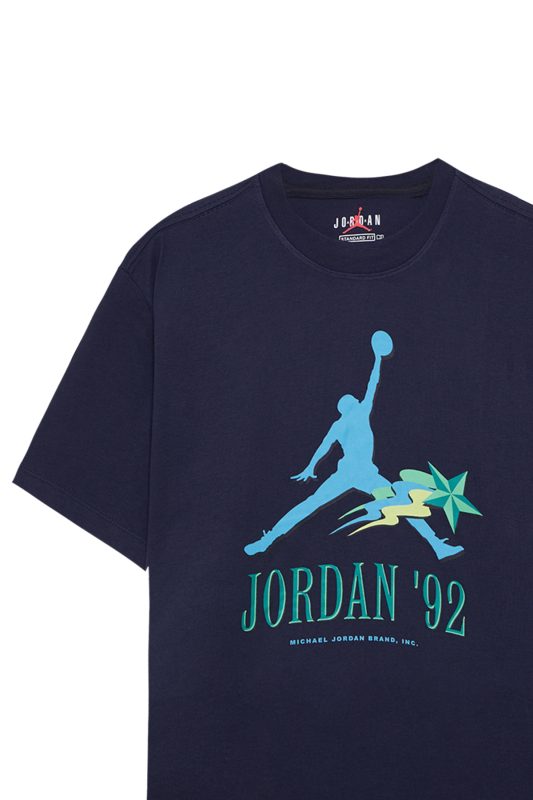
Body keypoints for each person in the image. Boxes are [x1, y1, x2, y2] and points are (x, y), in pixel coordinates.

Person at [244, 331, 464, 561]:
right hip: (359, 474)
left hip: (359, 474)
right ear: (349, 404)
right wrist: (377, 359)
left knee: (311, 504)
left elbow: (324, 446)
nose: (358, 400)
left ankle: (267, 540)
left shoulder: (339, 424)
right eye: (354, 399)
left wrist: (311, 467)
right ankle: (437, 545)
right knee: (402, 503)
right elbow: (372, 383)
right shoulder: (358, 413)